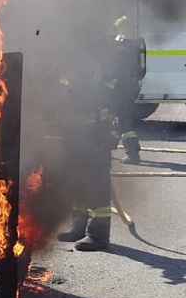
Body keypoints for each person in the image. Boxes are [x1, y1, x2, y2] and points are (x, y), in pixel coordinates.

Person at [55, 16, 146, 252]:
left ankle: (98, 234)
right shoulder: (72, 55)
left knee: (95, 181)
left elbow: (119, 97)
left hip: (96, 129)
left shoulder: (112, 55)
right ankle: (79, 226)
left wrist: (114, 130)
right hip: (72, 130)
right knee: (75, 179)